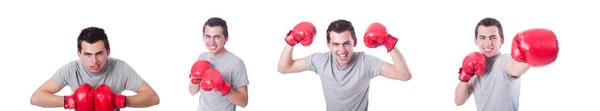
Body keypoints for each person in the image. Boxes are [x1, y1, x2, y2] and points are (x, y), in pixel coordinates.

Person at [277, 19, 412, 111]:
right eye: (336, 44)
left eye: (346, 43)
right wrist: (291, 41)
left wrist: (389, 44)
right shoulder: (321, 60)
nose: (341, 50)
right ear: (328, 45)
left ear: (354, 42)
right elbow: (284, 68)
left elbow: (404, 75)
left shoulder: (366, 62)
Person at [29, 27, 160, 111]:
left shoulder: (120, 68)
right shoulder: (71, 69)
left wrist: (118, 101)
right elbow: (36, 98)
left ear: (108, 51)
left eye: (99, 53)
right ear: (79, 54)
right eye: (87, 54)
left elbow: (153, 98)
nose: (94, 61)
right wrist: (70, 101)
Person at [454, 17, 559, 111]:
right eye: (482, 37)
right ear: (476, 41)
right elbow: (459, 102)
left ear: (502, 40)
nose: (488, 42)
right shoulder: (475, 66)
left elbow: (515, 68)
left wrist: (527, 56)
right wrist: (464, 76)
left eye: (493, 37)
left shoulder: (504, 61)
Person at [188, 17, 249, 111]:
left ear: (226, 38)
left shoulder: (236, 63)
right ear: (203, 37)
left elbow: (243, 102)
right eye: (208, 36)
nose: (212, 42)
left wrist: (223, 87)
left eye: (217, 37)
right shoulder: (201, 57)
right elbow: (192, 92)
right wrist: (195, 80)